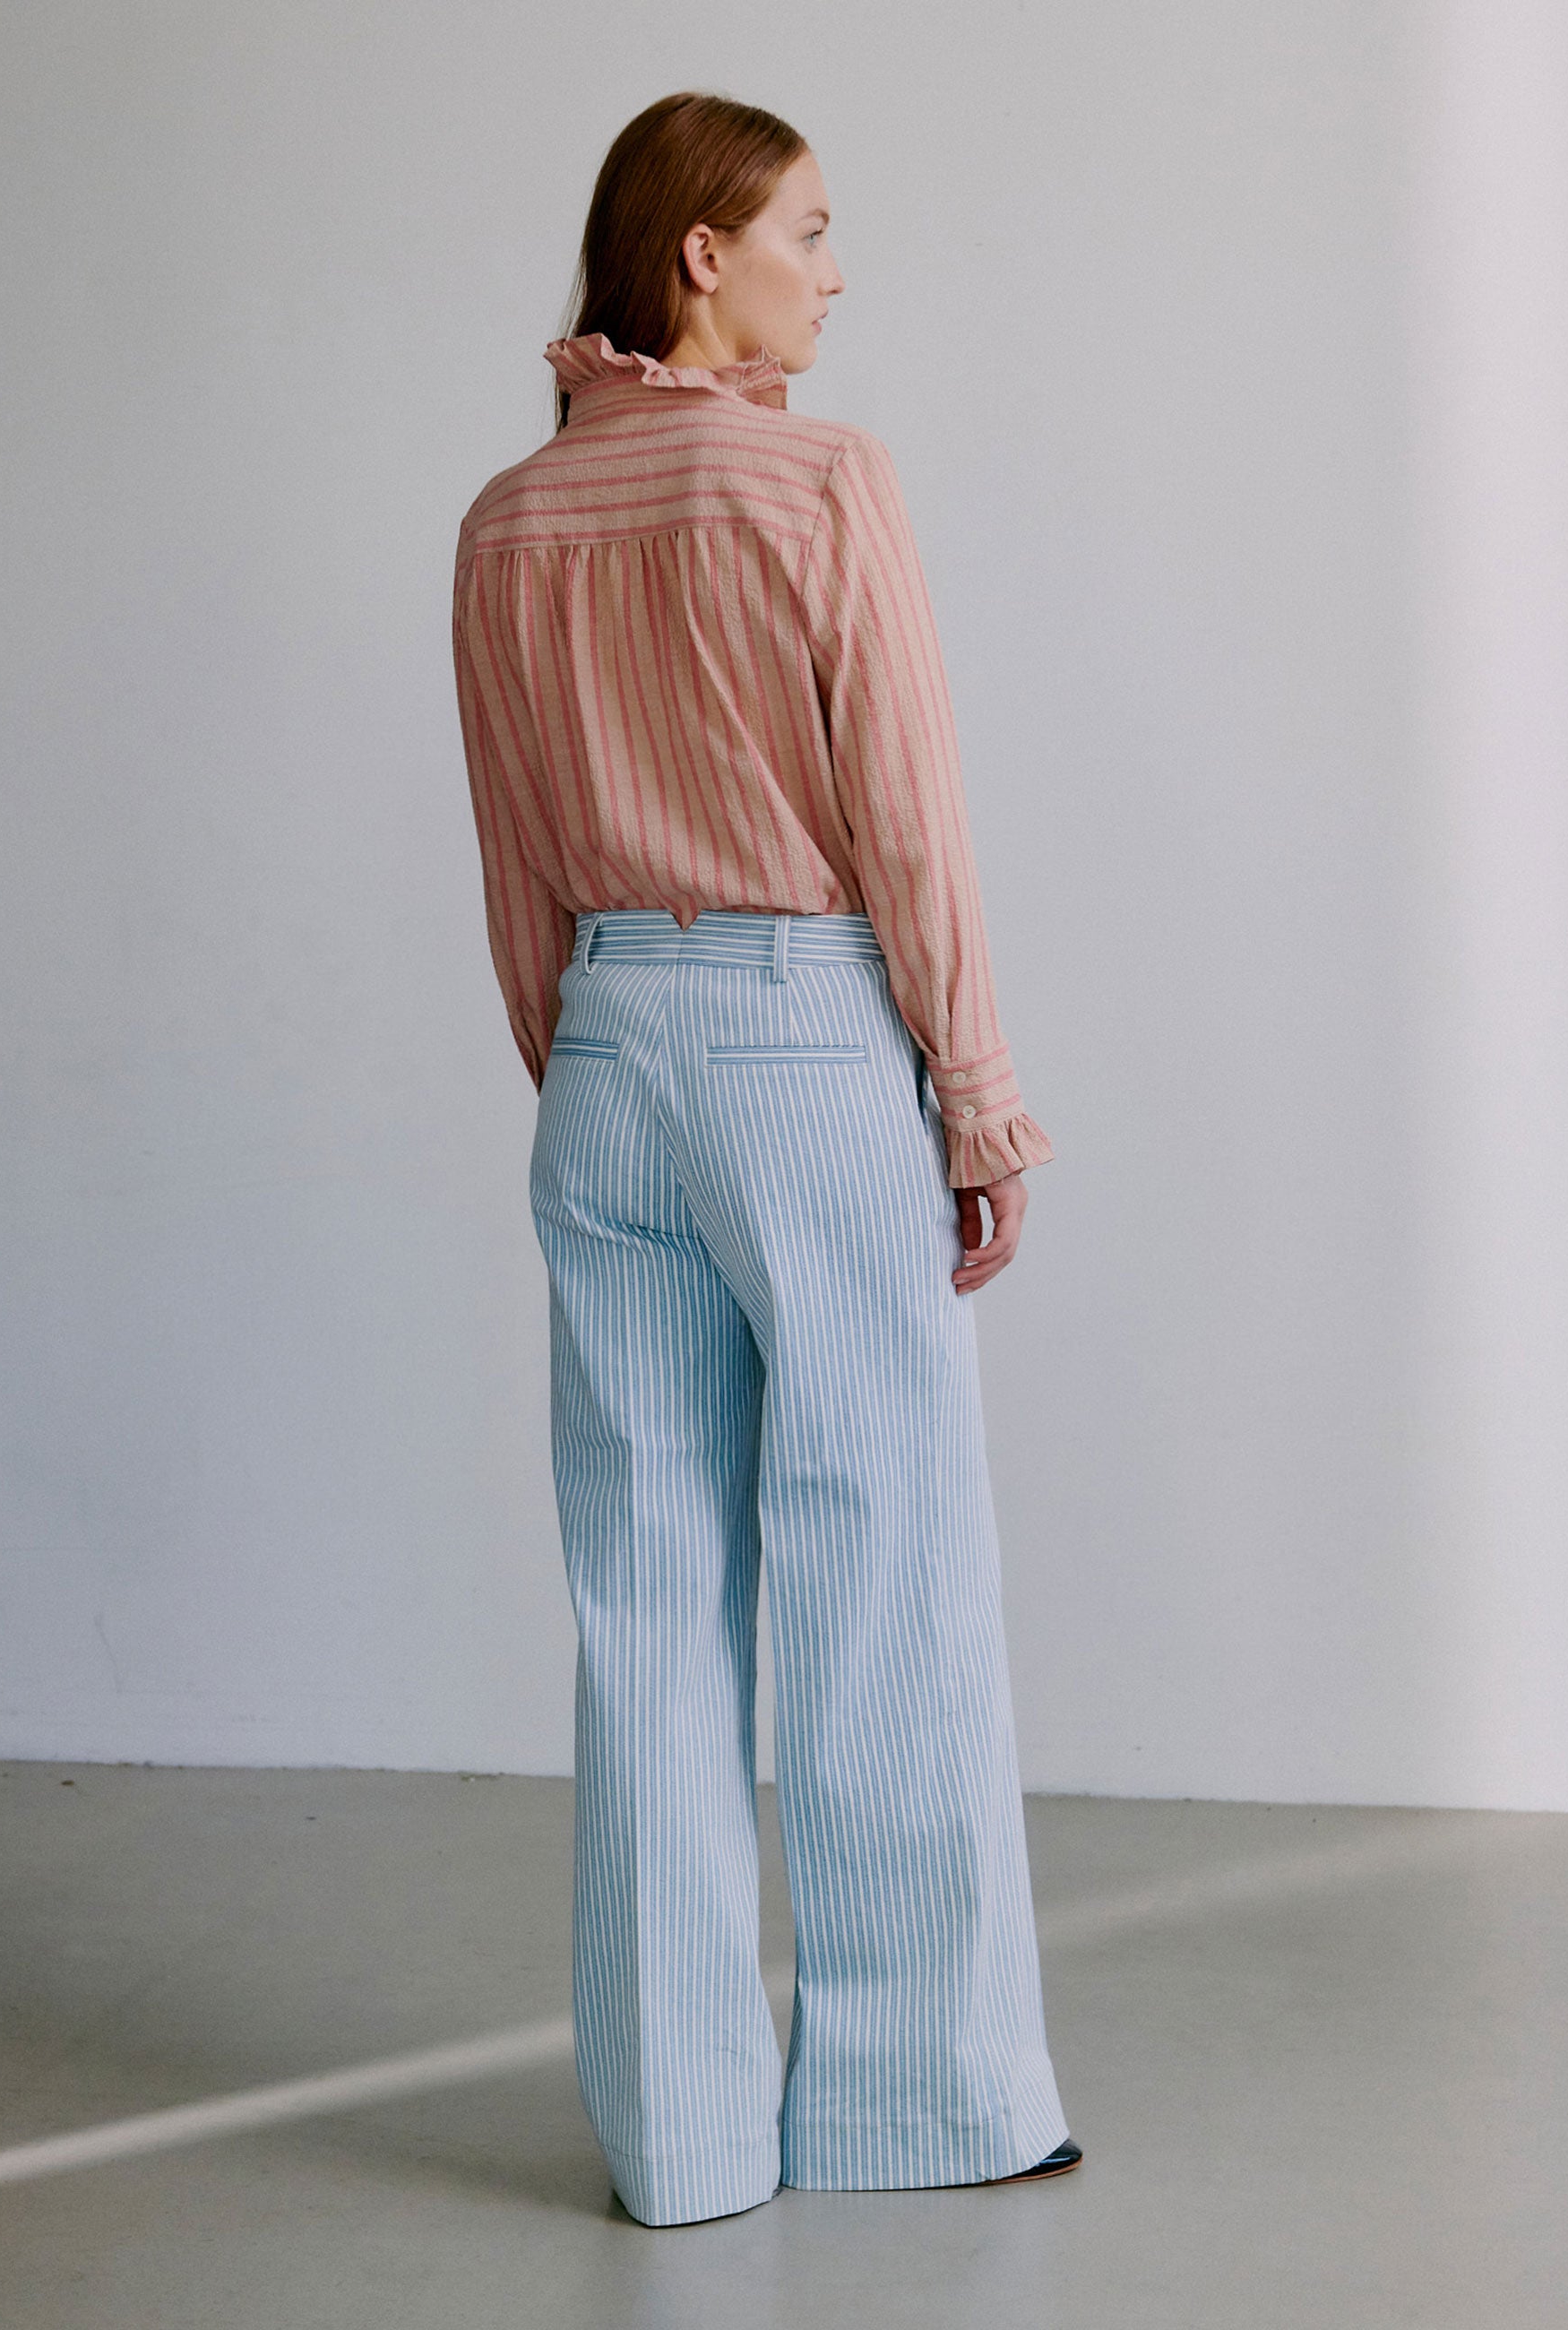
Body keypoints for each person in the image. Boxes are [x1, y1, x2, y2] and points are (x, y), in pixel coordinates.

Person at [451, 90, 1080, 2229]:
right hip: (807, 1031)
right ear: (696, 253)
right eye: (809, 226)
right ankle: (921, 2101)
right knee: (878, 1561)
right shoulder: (820, 479)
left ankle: (684, 2139)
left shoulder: (510, 517)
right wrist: (972, 1100)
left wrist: (596, 1060)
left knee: (645, 1593)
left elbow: (517, 865)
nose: (837, 265)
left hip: (608, 1046)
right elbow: (907, 817)